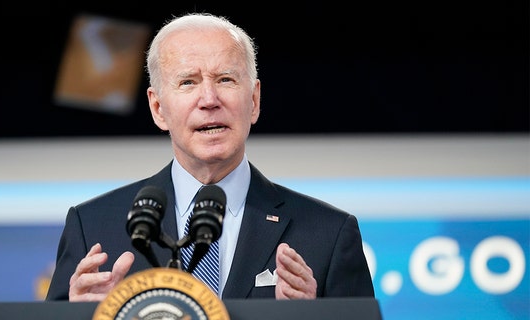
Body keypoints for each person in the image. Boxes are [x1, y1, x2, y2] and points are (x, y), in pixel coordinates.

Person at [45, 12, 374, 301]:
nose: (209, 98)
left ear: (254, 101)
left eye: (225, 79)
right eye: (188, 82)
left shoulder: (328, 234)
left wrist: (315, 317)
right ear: (158, 108)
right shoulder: (93, 228)